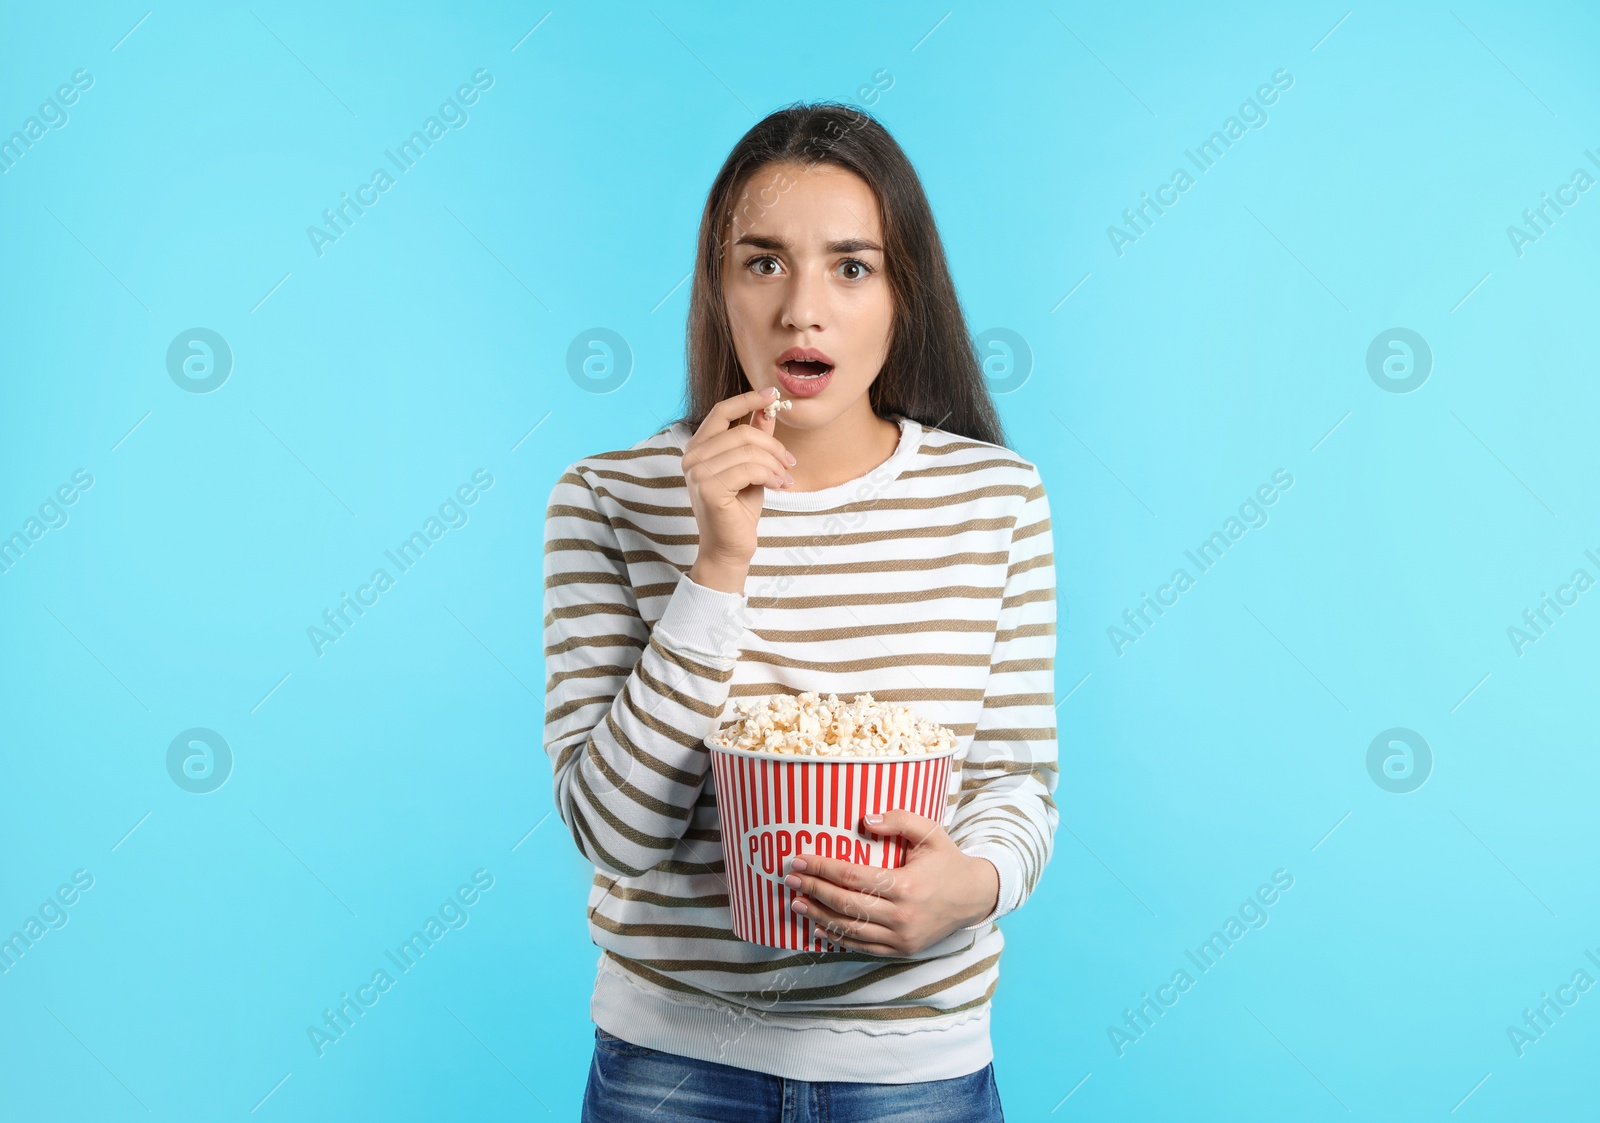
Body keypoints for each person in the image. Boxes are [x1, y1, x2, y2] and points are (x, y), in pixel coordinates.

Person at [543, 101, 1058, 1122]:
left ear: (905, 294)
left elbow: (1016, 782)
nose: (802, 311)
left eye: (851, 267)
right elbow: (613, 832)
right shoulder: (606, 496)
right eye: (763, 263)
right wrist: (717, 566)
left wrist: (974, 884)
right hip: (670, 1068)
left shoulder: (995, 498)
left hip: (916, 1067)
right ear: (715, 288)